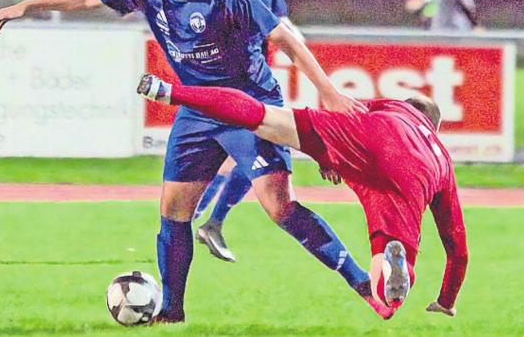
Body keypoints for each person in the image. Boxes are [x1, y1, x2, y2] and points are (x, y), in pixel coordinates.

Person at [0, 0, 390, 323]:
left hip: (249, 107)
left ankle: (361, 282)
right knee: (173, 210)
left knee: (278, 206)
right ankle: (172, 311)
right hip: (199, 110)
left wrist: (329, 92)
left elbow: (285, 38)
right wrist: (27, 7)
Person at [138, 73, 469, 317]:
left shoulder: (393, 107)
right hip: (412, 178)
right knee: (387, 296)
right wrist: (447, 300)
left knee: (260, 116)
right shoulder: (442, 159)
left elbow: (344, 108)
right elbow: (458, 248)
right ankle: (394, 272)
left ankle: (170, 92)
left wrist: (327, 156)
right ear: (435, 127)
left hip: (368, 134)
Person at [193, 0, 305, 263]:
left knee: (259, 150)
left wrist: (299, 44)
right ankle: (200, 221)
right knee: (251, 152)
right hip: (227, 80)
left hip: (260, 79)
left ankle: (203, 221)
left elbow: (280, 18)